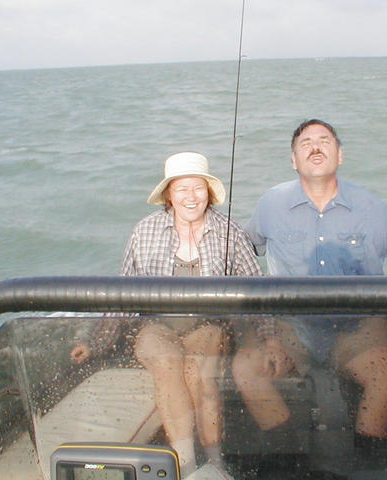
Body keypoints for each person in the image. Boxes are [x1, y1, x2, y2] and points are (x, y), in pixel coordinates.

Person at [232, 119, 387, 462]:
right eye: (305, 143)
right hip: (291, 327)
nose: (315, 147)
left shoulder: (369, 206)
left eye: (324, 141)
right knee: (246, 369)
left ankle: (368, 459)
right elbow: (240, 252)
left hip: (355, 327)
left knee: (386, 369)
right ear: (293, 160)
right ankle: (288, 459)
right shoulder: (270, 204)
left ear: (340, 155)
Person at [70, 151, 263, 478]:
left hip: (208, 325)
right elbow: (123, 295)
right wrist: (95, 341)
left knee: (198, 372)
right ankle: (186, 465)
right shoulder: (144, 232)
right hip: (156, 326)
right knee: (167, 363)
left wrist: (267, 340)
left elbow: (259, 292)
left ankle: (215, 462)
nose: (191, 197)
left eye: (198, 188)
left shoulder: (231, 233)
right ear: (169, 196)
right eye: (182, 188)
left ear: (209, 193)